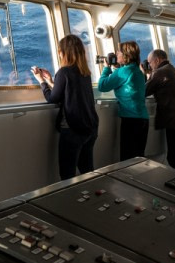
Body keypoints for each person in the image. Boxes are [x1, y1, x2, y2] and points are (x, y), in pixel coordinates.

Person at [31, 35, 99, 179]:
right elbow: (69, 92)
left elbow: (53, 98)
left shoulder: (64, 72)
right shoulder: (85, 73)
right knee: (88, 171)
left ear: (63, 52)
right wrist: (50, 81)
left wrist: (41, 82)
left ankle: (71, 201)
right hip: (90, 128)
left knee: (67, 175)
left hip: (73, 130)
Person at [98, 41, 149, 160]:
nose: (116, 55)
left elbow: (102, 86)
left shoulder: (124, 71)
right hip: (143, 119)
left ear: (125, 55)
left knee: (128, 160)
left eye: (118, 52)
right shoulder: (137, 70)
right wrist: (116, 69)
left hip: (131, 121)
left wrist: (106, 69)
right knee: (138, 159)